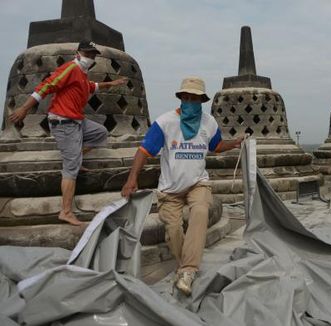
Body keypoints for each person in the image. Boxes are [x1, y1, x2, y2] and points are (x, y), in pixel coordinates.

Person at [121, 76, 243, 296]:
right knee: (174, 231)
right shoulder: (165, 123)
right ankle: (184, 266)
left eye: (195, 98)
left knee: (200, 211)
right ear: (180, 98)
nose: (190, 101)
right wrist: (132, 179)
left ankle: (188, 270)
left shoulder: (209, 123)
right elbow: (143, 151)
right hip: (170, 190)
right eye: (186, 97)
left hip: (198, 183)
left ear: (201, 101)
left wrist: (233, 144)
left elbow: (216, 146)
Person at [8, 40, 127, 226]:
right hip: (63, 122)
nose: (91, 58)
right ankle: (66, 211)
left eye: (93, 55)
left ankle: (76, 159)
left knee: (100, 133)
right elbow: (47, 86)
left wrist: (113, 83)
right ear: (78, 53)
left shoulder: (81, 73)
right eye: (88, 54)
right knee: (70, 169)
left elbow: (92, 87)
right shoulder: (70, 68)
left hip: (77, 120)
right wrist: (24, 109)